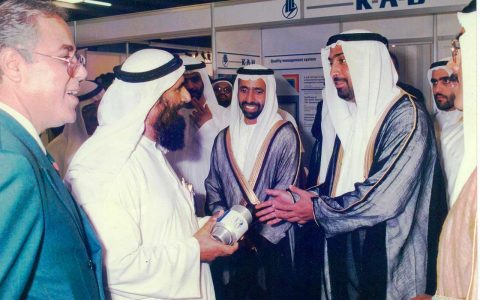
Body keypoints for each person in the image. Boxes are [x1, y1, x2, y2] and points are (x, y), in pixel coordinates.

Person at [256, 30, 448, 299]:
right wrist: (304, 198)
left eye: (343, 60)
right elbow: (341, 183)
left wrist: (315, 210)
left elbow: (384, 197)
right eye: (332, 62)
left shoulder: (407, 116)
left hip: (391, 259)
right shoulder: (351, 116)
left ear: (367, 62)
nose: (334, 71)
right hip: (347, 254)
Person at [65, 49, 237, 299]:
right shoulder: (105, 167)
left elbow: (161, 228)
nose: (187, 97)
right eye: (178, 88)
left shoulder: (150, 152)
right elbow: (115, 267)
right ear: (152, 96)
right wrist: (195, 250)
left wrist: (207, 227)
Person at [0, 1, 104, 298]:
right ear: (14, 65)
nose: (82, 73)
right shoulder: (8, 161)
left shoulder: (22, 146)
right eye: (66, 57)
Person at [205, 64, 301, 300]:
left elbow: (286, 193)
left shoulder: (285, 135)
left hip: (271, 244)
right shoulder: (223, 136)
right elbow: (213, 186)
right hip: (230, 241)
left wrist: (258, 239)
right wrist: (228, 228)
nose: (249, 98)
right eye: (244, 90)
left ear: (268, 94)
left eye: (258, 91)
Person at [166, 56, 228, 216]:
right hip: (175, 201)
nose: (190, 86)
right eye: (184, 82)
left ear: (204, 81)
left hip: (212, 201)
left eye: (195, 79)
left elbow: (227, 159)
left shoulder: (224, 115)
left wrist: (207, 125)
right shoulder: (167, 117)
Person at [47, 80, 105, 177]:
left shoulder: (113, 141)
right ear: (77, 114)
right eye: (90, 110)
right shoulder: (55, 150)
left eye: (101, 109)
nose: (97, 116)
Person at [427, 58, 463, 206]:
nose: (437, 90)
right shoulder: (428, 123)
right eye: (434, 82)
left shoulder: (471, 124)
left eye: (445, 81)